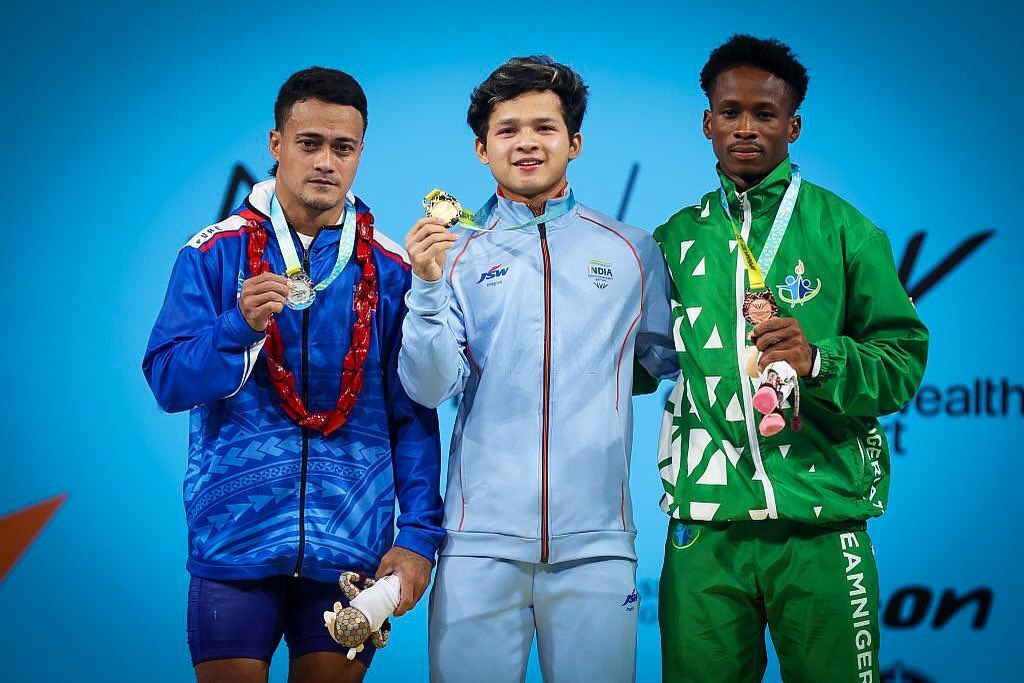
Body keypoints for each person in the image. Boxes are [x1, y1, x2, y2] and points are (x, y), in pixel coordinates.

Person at [143, 66, 443, 683]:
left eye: (343, 147)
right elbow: (168, 381)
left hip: (351, 549)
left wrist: (417, 536)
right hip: (234, 544)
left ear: (360, 153)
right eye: (309, 143)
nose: (326, 162)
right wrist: (236, 328)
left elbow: (413, 411)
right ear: (276, 144)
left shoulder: (390, 267)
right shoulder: (213, 252)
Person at [653, 35, 929, 682]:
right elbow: (636, 364)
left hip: (819, 519)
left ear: (793, 126)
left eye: (765, 113)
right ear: (707, 122)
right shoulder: (674, 239)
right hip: (705, 524)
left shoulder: (845, 230)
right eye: (730, 112)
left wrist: (819, 360)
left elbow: (902, 362)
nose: (746, 128)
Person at [398, 55, 677, 683]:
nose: (527, 142)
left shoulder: (631, 250)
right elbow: (430, 387)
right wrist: (426, 286)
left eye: (545, 127)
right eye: (508, 129)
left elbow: (667, 363)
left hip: (597, 546)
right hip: (476, 545)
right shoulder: (453, 253)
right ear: (482, 149)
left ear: (574, 142)